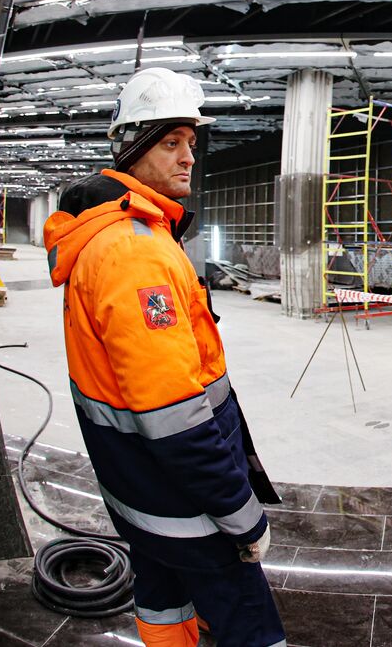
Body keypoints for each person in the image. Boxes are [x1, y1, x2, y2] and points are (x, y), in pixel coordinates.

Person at [43, 67, 285, 647]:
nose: (187, 158)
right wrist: (240, 513)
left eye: (191, 145)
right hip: (187, 505)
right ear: (131, 148)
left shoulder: (123, 234)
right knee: (249, 626)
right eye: (170, 143)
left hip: (141, 495)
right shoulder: (133, 252)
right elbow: (174, 414)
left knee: (163, 605)